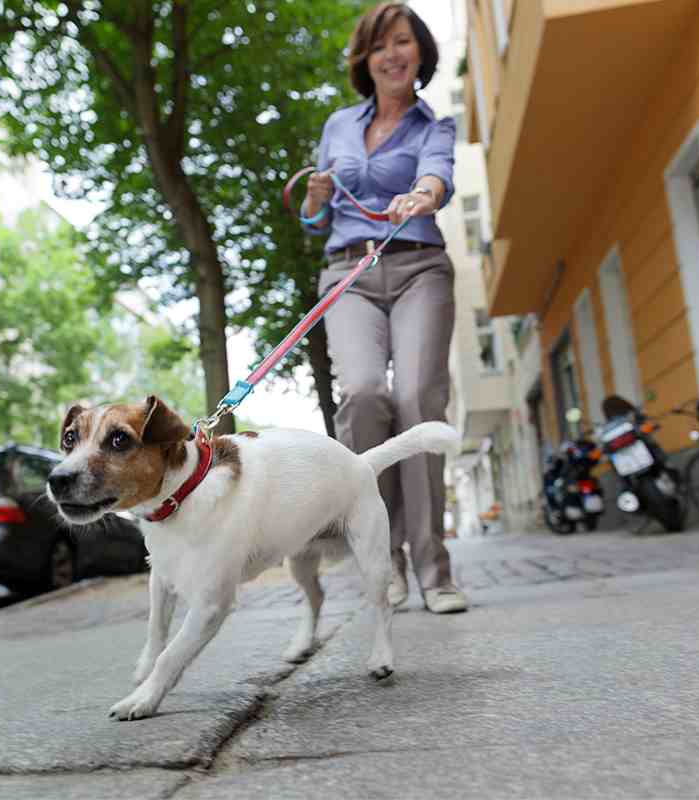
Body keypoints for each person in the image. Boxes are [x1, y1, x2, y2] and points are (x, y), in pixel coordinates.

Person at [302, 2, 467, 614]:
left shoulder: (434, 126)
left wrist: (423, 195)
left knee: (418, 397)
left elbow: (437, 175)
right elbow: (317, 216)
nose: (392, 54)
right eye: (380, 46)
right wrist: (316, 197)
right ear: (364, 61)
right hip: (350, 271)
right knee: (366, 395)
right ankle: (385, 558)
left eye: (403, 42)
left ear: (420, 52)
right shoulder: (339, 125)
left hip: (419, 265)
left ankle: (435, 570)